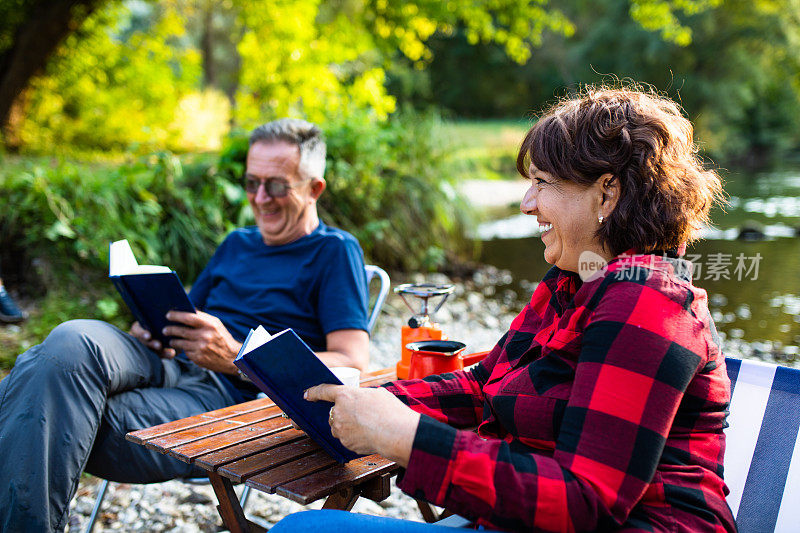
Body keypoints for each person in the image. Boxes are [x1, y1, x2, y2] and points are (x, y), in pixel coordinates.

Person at [273, 87, 737, 532]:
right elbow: (483, 386)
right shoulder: (573, 279)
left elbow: (585, 501)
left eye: (542, 183)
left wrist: (405, 437)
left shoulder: (646, 302)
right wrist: (379, 404)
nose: (526, 203)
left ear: (606, 194)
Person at [0, 118, 370, 532]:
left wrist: (237, 356)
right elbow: (189, 312)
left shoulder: (334, 251)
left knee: (33, 396)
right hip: (168, 359)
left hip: (229, 396)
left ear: (314, 188)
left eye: (276, 185)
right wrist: (152, 324)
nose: (260, 198)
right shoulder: (236, 243)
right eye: (251, 183)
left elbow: (352, 360)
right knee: (68, 341)